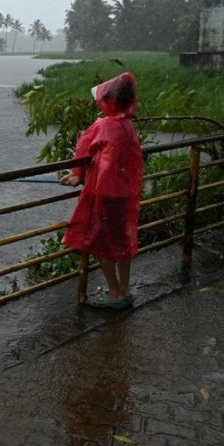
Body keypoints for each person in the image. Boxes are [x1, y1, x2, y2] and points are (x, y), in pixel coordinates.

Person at [59, 72, 143, 310]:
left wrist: (77, 175)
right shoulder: (128, 125)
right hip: (124, 194)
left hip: (105, 194)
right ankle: (124, 290)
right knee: (122, 240)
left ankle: (114, 294)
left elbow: (83, 148)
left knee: (102, 243)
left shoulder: (103, 125)